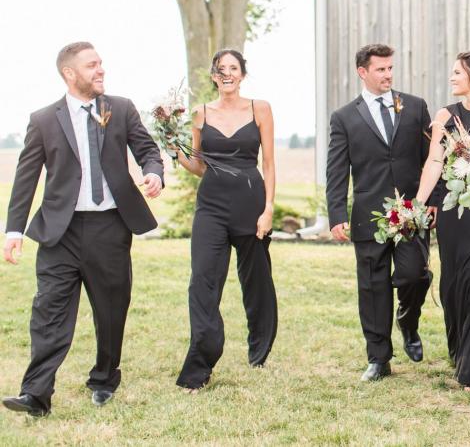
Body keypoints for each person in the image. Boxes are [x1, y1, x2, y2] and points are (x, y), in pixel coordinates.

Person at [2, 42, 164, 416]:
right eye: (92, 65)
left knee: (111, 311)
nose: (101, 69)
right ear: (69, 73)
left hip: (110, 227)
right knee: (49, 312)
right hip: (60, 233)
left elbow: (147, 150)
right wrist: (13, 231)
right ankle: (36, 394)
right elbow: (26, 177)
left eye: (101, 63)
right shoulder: (44, 120)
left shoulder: (120, 109)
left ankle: (104, 379)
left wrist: (153, 172)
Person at [174, 49, 278, 391]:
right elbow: (199, 165)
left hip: (251, 202)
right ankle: (200, 363)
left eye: (234, 68)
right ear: (214, 76)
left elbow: (269, 163)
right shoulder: (200, 113)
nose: (228, 73)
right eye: (221, 69)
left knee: (257, 281)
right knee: (202, 281)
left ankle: (259, 349)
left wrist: (268, 208)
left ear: (242, 74)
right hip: (211, 207)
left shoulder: (260, 109)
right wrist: (176, 151)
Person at [326, 44, 432, 382]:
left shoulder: (415, 107)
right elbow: (336, 170)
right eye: (380, 69)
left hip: (411, 211)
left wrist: (432, 199)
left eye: (390, 68)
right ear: (363, 72)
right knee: (372, 287)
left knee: (414, 274)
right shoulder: (344, 117)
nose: (388, 75)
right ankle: (378, 358)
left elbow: (432, 158)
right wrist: (336, 213)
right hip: (368, 213)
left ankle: (408, 320)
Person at [415, 52, 470, 389]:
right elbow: (435, 163)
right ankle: (459, 350)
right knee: (452, 283)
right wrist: (417, 204)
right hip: (453, 211)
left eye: (457, 73)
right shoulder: (444, 115)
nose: (451, 78)